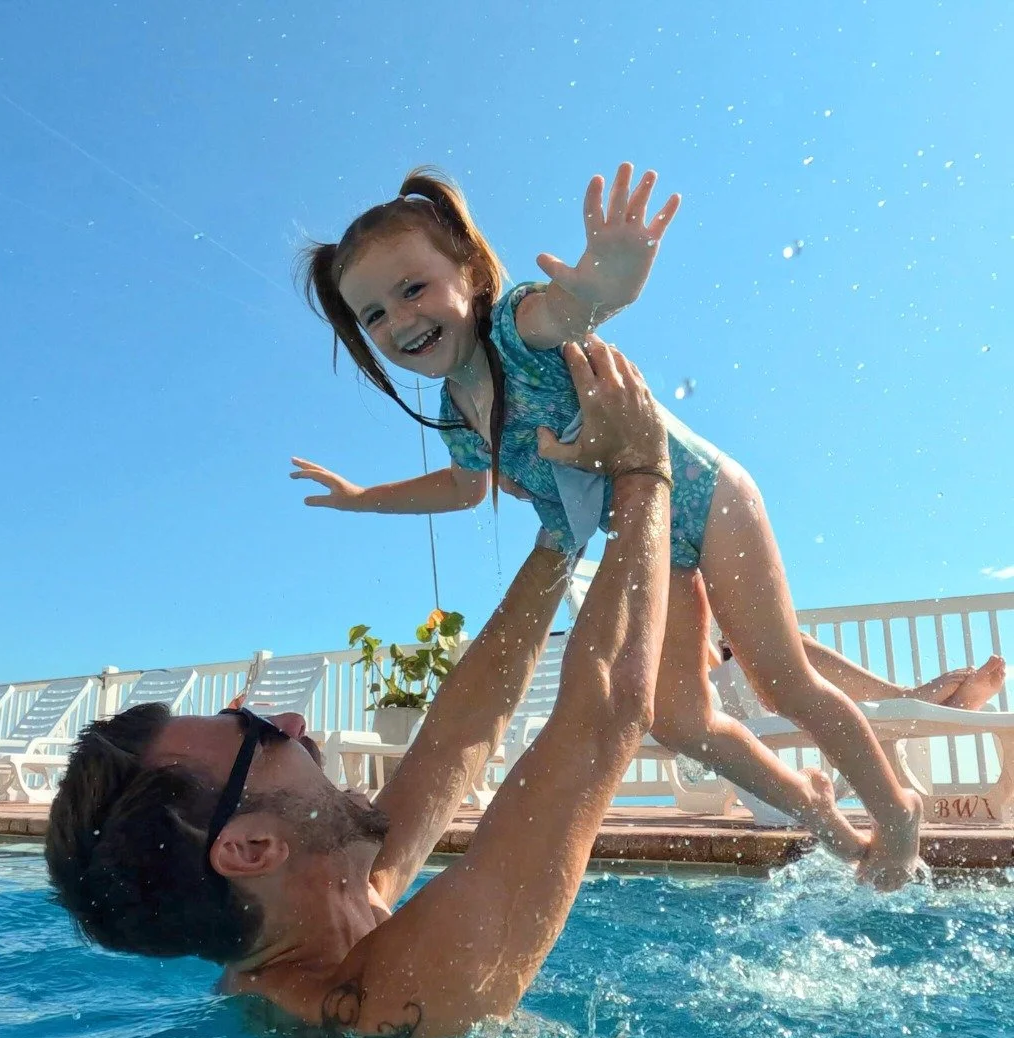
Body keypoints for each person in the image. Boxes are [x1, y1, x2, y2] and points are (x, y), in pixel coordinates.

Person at [290, 163, 921, 887]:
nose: (399, 322)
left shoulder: (517, 328)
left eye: (413, 289)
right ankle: (827, 819)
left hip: (706, 496)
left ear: (467, 272)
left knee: (782, 678)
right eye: (373, 314)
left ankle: (897, 810)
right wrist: (364, 496)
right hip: (649, 543)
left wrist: (611, 279)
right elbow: (466, 490)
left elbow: (577, 306)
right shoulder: (455, 414)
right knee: (679, 720)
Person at [47, 338, 687, 1038]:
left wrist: (558, 538)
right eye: (259, 732)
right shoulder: (384, 996)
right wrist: (643, 470)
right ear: (252, 849)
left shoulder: (335, 907)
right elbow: (607, 718)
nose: (292, 720)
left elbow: (455, 740)